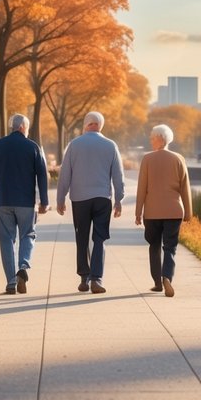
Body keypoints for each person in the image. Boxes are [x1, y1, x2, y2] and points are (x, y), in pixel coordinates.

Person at [56, 111, 125, 294]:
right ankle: (97, 279)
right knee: (99, 239)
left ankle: (84, 277)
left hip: (80, 199)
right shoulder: (110, 145)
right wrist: (119, 199)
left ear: (86, 124)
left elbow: (65, 174)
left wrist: (60, 198)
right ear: (100, 125)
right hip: (102, 198)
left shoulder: (74, 145)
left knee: (82, 238)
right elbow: (118, 175)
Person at [0, 113, 49, 295]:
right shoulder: (33, 147)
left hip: (3, 200)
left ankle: (11, 282)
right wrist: (44, 201)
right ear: (22, 128)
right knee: (28, 234)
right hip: (26, 201)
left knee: (7, 239)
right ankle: (23, 266)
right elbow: (42, 174)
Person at [134, 124, 193, 297]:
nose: (151, 141)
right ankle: (167, 276)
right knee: (170, 247)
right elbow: (185, 188)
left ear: (160, 139)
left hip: (152, 213)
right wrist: (188, 212)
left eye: (152, 138)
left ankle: (158, 283)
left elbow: (142, 188)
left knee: (154, 245)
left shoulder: (147, 159)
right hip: (174, 211)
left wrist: (138, 212)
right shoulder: (178, 159)